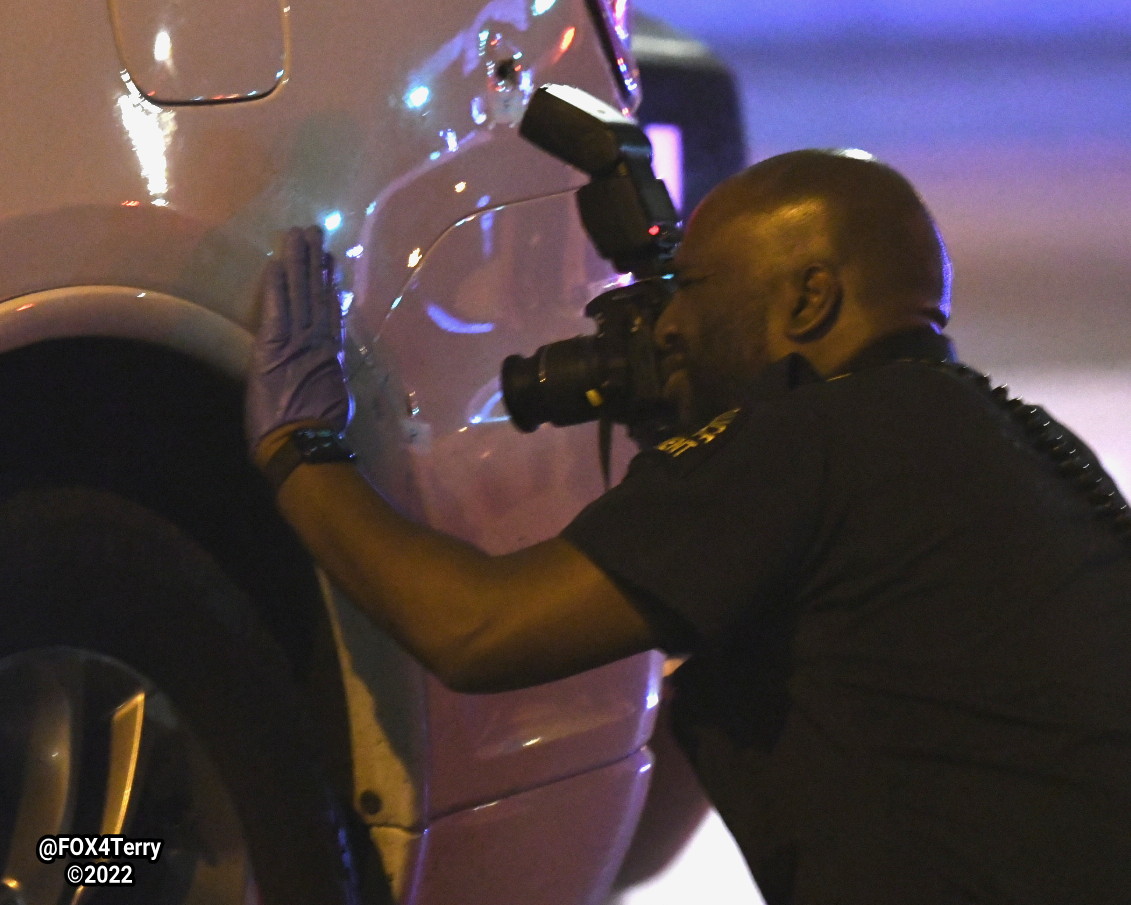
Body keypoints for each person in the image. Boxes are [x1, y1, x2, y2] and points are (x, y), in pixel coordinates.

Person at [245, 149, 1131, 904]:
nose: (666, 327)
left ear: (808, 299)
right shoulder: (1018, 448)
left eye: (691, 290)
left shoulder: (817, 437)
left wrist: (301, 451)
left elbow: (476, 630)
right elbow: (650, 838)